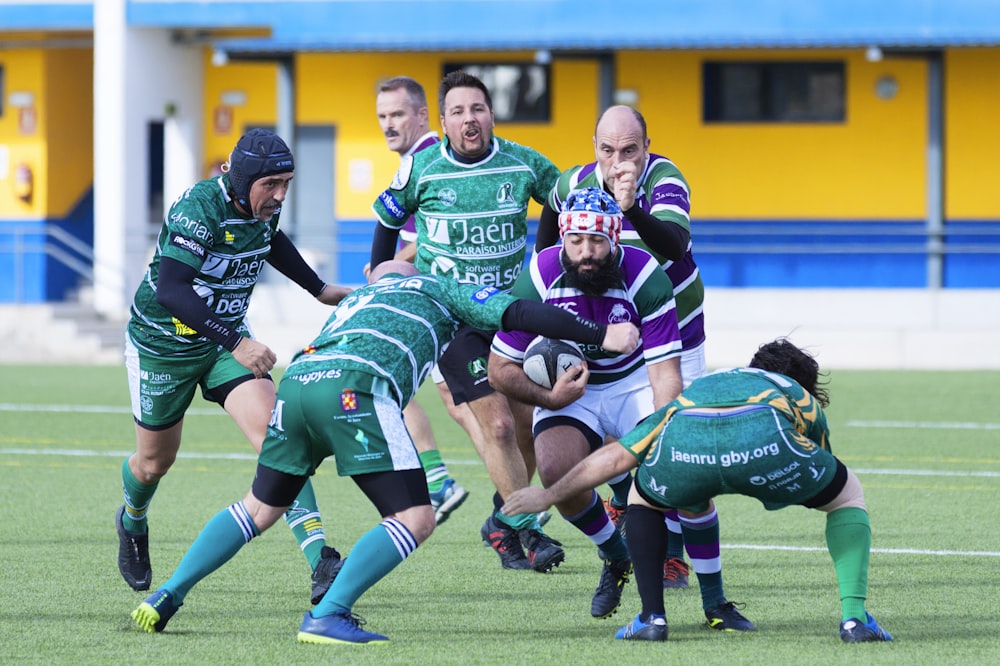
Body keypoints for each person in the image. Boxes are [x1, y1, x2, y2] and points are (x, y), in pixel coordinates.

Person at [130, 260, 640, 644]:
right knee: (416, 517)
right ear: (413, 275)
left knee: (259, 508)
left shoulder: (357, 299)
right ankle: (329, 613)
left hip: (298, 383)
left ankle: (167, 594)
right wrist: (602, 335)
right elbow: (519, 312)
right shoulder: (438, 287)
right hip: (356, 388)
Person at [502, 339, 894, 644]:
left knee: (643, 496)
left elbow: (618, 457)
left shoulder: (704, 386)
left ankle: (651, 619)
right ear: (803, 380)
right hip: (767, 439)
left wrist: (549, 494)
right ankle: (854, 619)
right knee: (847, 496)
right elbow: (820, 455)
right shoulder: (796, 392)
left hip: (687, 442)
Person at [117, 128, 352, 605]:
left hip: (223, 345)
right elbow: (172, 290)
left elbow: (272, 239)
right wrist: (238, 341)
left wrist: (320, 289)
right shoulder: (198, 209)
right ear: (242, 178)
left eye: (287, 182)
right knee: (153, 463)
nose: (280, 194)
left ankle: (321, 561)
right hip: (164, 345)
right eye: (272, 185)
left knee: (279, 436)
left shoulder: (262, 204)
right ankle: (132, 519)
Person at [370, 70, 566, 571]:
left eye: (477, 109)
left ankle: (502, 522)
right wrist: (382, 280)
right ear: (443, 121)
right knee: (497, 426)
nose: (469, 119)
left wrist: (545, 253)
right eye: (457, 111)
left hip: (511, 315)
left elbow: (564, 200)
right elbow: (387, 223)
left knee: (527, 427)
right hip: (453, 318)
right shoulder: (421, 169)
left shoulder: (522, 162)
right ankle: (528, 532)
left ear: (491, 114)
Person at [489, 187, 687, 621]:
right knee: (559, 471)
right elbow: (500, 368)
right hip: (569, 390)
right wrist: (550, 397)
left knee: (675, 458)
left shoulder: (644, 274)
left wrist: (661, 430)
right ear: (563, 237)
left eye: (597, 241)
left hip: (632, 381)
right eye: (576, 241)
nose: (586, 252)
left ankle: (712, 593)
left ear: (615, 238)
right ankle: (615, 556)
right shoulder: (540, 274)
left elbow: (665, 375)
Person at [539, 104, 709, 592]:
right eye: (608, 150)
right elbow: (551, 208)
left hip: (675, 324)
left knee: (678, 443)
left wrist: (630, 205)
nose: (619, 162)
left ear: (646, 148)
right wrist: (547, 265)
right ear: (594, 149)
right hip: (609, 331)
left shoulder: (664, 178)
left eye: (630, 150)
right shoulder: (576, 182)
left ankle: (673, 554)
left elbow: (675, 243)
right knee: (608, 426)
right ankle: (623, 505)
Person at [374, 75, 471, 524]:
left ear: (422, 115)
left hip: (438, 301)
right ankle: (517, 502)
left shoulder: (430, 157)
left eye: (397, 114)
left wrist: (390, 266)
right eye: (382, 117)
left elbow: (438, 236)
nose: (388, 124)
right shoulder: (420, 158)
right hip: (436, 299)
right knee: (461, 402)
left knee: (385, 379)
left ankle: (443, 483)